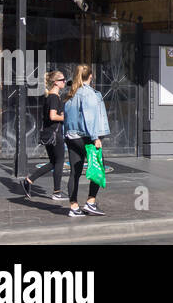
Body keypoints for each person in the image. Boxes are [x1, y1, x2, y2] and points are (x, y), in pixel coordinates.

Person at [63, 64, 109, 217]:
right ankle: (90, 202)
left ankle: (74, 207)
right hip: (86, 136)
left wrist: (67, 136)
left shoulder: (71, 93)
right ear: (91, 76)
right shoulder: (88, 94)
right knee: (98, 167)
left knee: (74, 173)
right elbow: (90, 119)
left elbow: (67, 119)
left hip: (71, 137)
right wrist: (96, 138)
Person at [23, 70, 68, 200]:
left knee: (54, 162)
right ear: (55, 82)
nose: (65, 82)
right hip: (54, 135)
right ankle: (57, 192)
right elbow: (52, 116)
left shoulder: (50, 96)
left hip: (49, 134)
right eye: (62, 80)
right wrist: (65, 117)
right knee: (59, 162)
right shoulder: (54, 97)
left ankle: (29, 180)